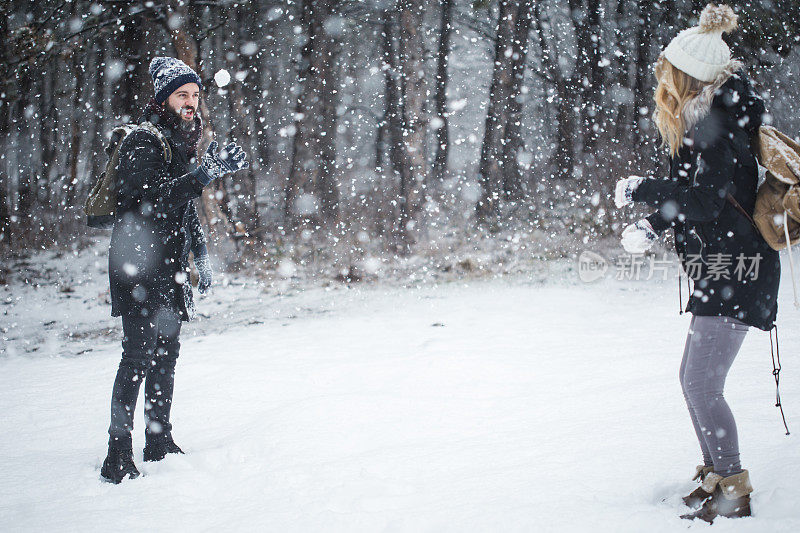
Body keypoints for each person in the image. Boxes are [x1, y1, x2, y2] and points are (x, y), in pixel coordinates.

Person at [614, 4, 780, 523]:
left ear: (687, 74)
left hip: (736, 269)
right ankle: (715, 477)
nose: (661, 77)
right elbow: (702, 196)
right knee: (693, 378)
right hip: (722, 265)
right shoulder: (707, 118)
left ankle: (733, 488)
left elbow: (705, 201)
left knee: (701, 384)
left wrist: (641, 190)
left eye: (668, 69)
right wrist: (654, 224)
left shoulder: (712, 122)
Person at [100, 57, 249, 484]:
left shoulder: (180, 139)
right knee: (137, 357)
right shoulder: (144, 143)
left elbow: (182, 209)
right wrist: (204, 173)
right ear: (164, 98)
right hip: (137, 263)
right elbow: (153, 201)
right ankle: (117, 453)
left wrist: (200, 254)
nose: (191, 102)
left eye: (196, 95)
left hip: (168, 265)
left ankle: (158, 440)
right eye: (182, 94)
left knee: (167, 355)